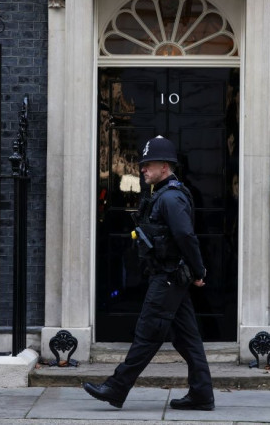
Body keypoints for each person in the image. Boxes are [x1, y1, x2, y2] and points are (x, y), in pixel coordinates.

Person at [83, 135, 214, 411]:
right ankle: (202, 393)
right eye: (143, 165)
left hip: (168, 278)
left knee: (147, 334)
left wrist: (199, 268)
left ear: (165, 167)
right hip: (171, 278)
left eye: (148, 164)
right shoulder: (164, 195)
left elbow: (184, 235)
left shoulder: (171, 197)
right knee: (188, 339)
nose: (142, 169)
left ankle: (116, 388)